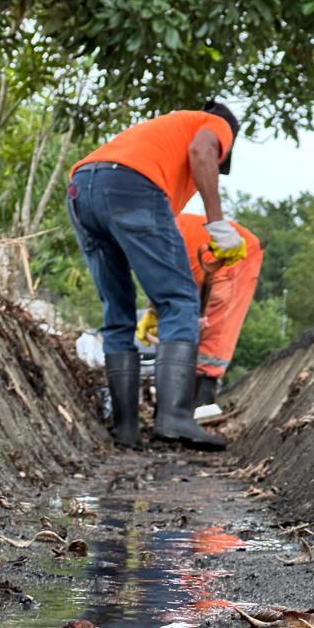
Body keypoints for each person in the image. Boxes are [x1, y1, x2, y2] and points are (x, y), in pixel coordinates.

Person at [67, 104, 241, 449]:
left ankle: (127, 430)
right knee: (181, 300)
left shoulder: (158, 148)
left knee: (116, 313)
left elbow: (156, 253)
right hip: (130, 185)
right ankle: (175, 418)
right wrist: (218, 225)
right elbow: (201, 151)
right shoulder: (215, 123)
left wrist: (152, 309)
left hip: (82, 187)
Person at [137, 214, 263, 418]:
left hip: (236, 252)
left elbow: (167, 284)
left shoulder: (154, 236)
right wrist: (153, 311)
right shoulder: (144, 236)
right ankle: (180, 407)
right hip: (203, 259)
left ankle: (204, 400)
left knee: (217, 325)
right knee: (188, 327)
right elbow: (159, 281)